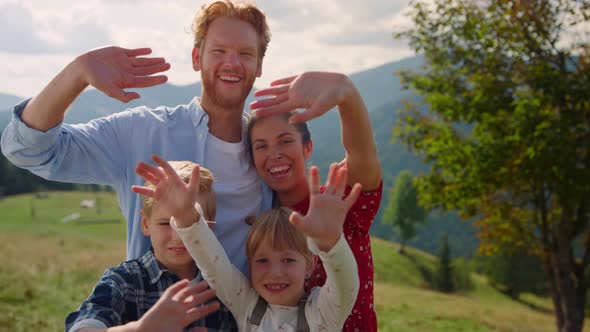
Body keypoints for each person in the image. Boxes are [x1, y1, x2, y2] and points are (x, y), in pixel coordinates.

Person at [0, 0, 273, 278]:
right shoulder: (141, 132)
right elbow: (26, 149)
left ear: (259, 65)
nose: (232, 62)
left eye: (245, 53)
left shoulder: (273, 148)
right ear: (195, 58)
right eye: (219, 50)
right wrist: (77, 73)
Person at [133, 155, 361, 331]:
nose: (275, 272)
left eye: (288, 260)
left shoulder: (321, 312)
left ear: (310, 264)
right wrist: (186, 217)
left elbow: (346, 285)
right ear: (249, 264)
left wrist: (331, 243)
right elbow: (214, 265)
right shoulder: (248, 306)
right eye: (262, 260)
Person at [246, 72, 383, 331]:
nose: (274, 155)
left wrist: (345, 92)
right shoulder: (263, 223)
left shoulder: (335, 202)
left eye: (285, 141)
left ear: (307, 148)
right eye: (261, 146)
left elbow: (362, 155)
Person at [66, 161, 229, 332]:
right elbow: (84, 326)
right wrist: (139, 329)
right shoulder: (124, 282)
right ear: (145, 223)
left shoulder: (224, 285)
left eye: (191, 222)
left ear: (209, 225)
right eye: (166, 223)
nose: (178, 235)